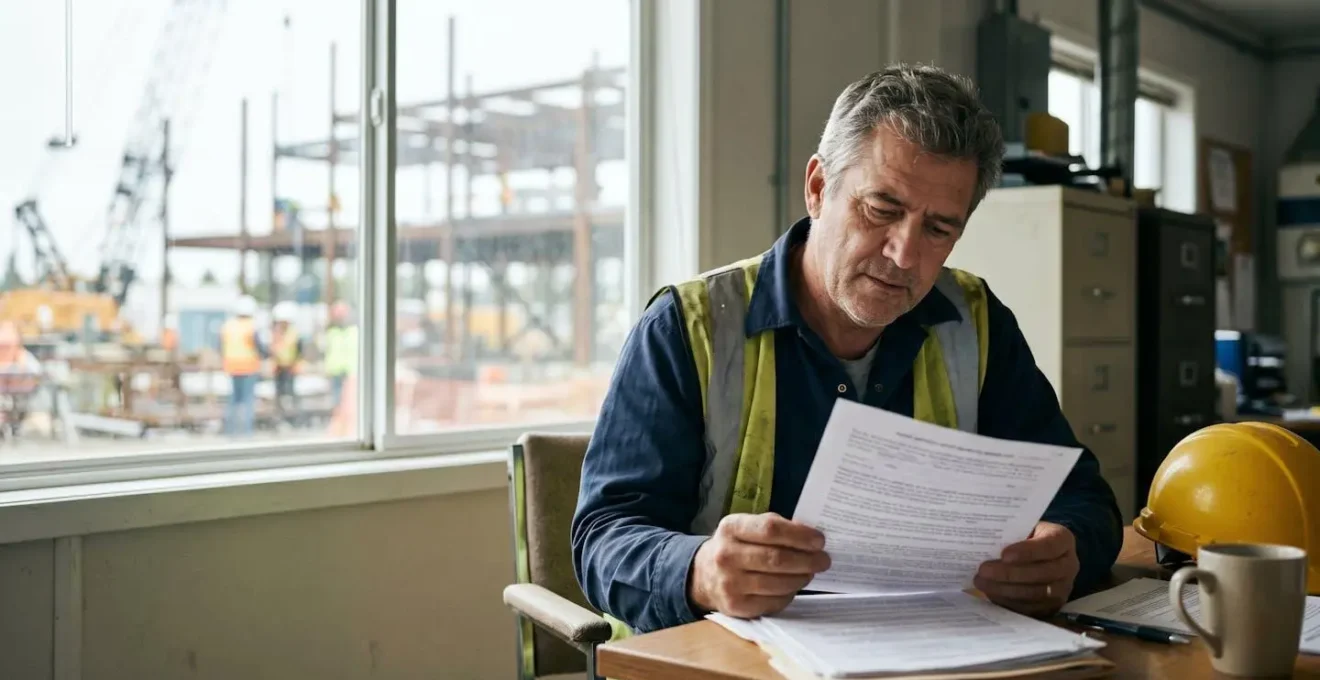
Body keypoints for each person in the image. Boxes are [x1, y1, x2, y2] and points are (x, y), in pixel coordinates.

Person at [571, 64, 1124, 635]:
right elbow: (604, 537)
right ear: (817, 188)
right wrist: (698, 571)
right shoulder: (686, 328)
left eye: (939, 229)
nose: (905, 255)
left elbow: (1082, 497)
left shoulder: (977, 322)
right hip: (725, 664)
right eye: (882, 209)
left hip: (929, 655)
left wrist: (1066, 548)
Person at [220, 295, 267, 436]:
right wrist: (267, 355)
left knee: (234, 399)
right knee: (248, 400)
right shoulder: (251, 326)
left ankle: (230, 430)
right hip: (248, 366)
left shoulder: (228, 326)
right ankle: (247, 431)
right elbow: (260, 347)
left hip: (232, 366)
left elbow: (221, 346)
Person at [270, 302, 305, 428]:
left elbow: (299, 351)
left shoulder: (294, 333)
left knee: (291, 394)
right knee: (279, 396)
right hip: (279, 368)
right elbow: (272, 350)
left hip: (290, 368)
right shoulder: (276, 333)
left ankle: (295, 420)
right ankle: (280, 420)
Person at [322, 300, 357, 410]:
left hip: (350, 371)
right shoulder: (331, 331)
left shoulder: (353, 330)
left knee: (350, 400)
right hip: (335, 370)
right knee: (337, 400)